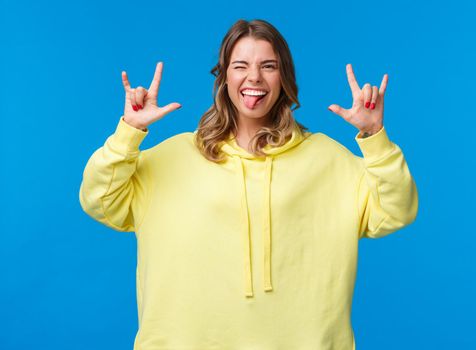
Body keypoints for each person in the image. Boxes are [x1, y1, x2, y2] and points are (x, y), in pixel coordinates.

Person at [79, 18, 418, 350]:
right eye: (240, 65)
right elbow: (100, 200)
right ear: (223, 76)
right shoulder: (173, 156)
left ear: (284, 77)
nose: (254, 77)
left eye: (268, 66)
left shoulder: (328, 159)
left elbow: (396, 210)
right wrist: (129, 132)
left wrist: (374, 136)